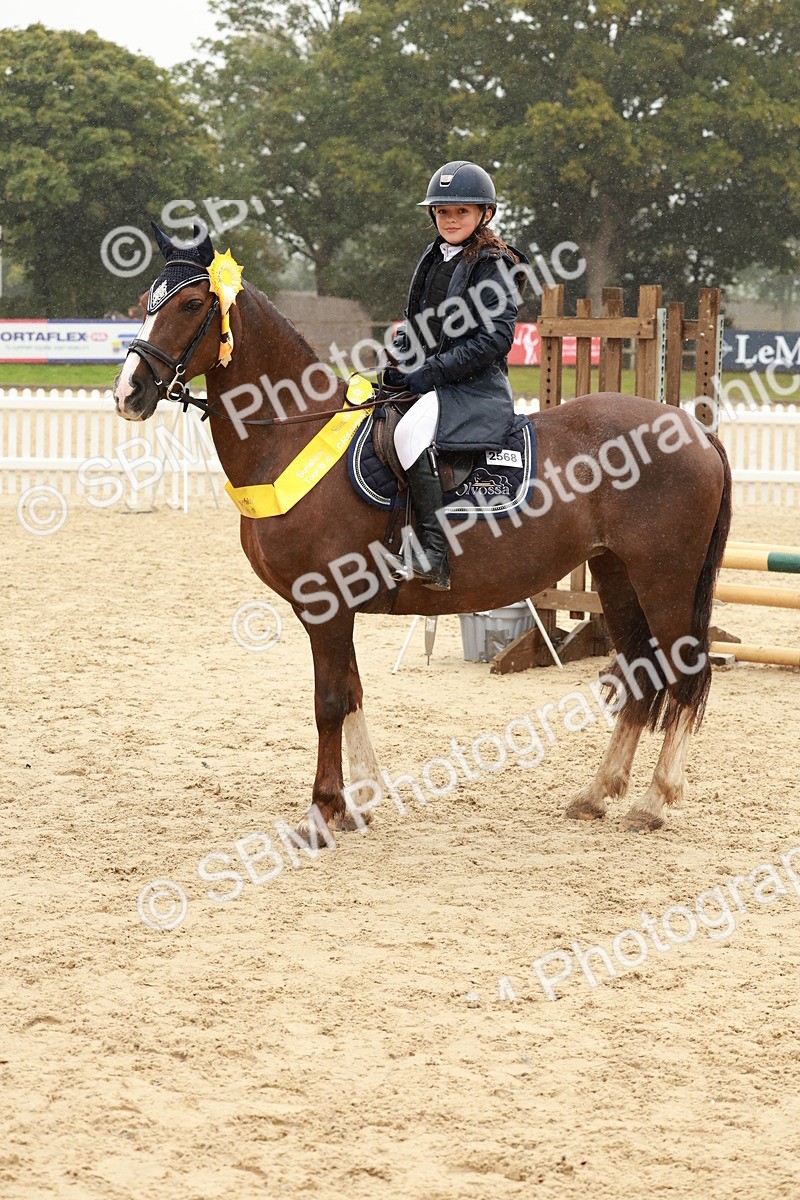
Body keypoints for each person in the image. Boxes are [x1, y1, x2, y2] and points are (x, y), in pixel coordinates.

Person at [381, 160, 528, 591]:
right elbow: (417, 323)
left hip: (475, 387)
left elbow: (495, 340)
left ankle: (434, 554)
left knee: (410, 435)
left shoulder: (493, 265)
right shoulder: (434, 256)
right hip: (435, 379)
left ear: (485, 213)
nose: (450, 219)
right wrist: (400, 359)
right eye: (443, 211)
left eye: (461, 211)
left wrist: (432, 371)